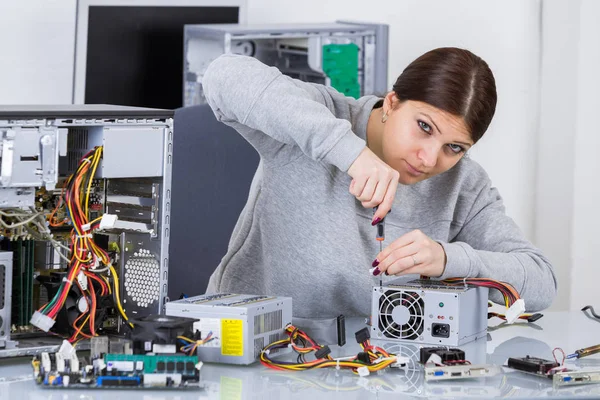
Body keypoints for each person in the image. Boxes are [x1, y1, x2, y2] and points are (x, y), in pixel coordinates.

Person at [201, 47, 557, 318]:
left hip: (376, 366)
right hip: (255, 346)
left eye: (453, 147)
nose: (429, 159)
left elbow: (541, 282)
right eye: (424, 127)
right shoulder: (318, 118)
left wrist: (449, 259)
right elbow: (222, 75)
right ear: (391, 103)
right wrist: (351, 154)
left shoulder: (464, 184)